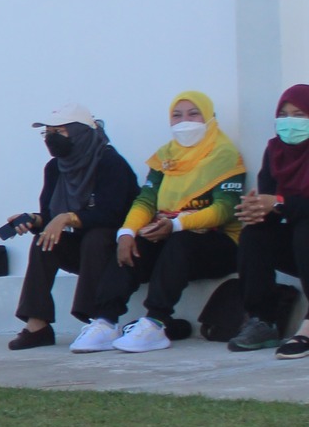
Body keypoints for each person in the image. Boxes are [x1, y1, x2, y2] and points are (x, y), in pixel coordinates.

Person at [72, 91, 245, 354]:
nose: (184, 121)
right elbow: (146, 200)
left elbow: (224, 209)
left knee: (181, 241)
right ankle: (105, 322)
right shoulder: (165, 157)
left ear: (209, 118)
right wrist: (127, 232)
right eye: (177, 115)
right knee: (134, 243)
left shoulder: (225, 156)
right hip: (172, 239)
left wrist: (176, 224)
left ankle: (156, 322)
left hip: (219, 245)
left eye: (193, 113)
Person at [6, 104, 140, 351]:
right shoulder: (55, 168)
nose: (51, 138)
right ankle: (38, 326)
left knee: (96, 237)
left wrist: (69, 218)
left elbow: (114, 213)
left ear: (80, 133)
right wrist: (34, 221)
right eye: (48, 133)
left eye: (59, 131)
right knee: (43, 242)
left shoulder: (110, 162)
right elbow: (50, 217)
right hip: (83, 249)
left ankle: (97, 323)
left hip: (117, 250)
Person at [230, 84, 309, 358]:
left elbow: (280, 202)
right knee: (255, 232)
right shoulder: (275, 151)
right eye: (284, 114)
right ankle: (263, 321)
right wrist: (255, 211)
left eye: (299, 114)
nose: (290, 122)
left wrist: (278, 203)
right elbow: (268, 198)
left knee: (305, 230)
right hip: (300, 249)